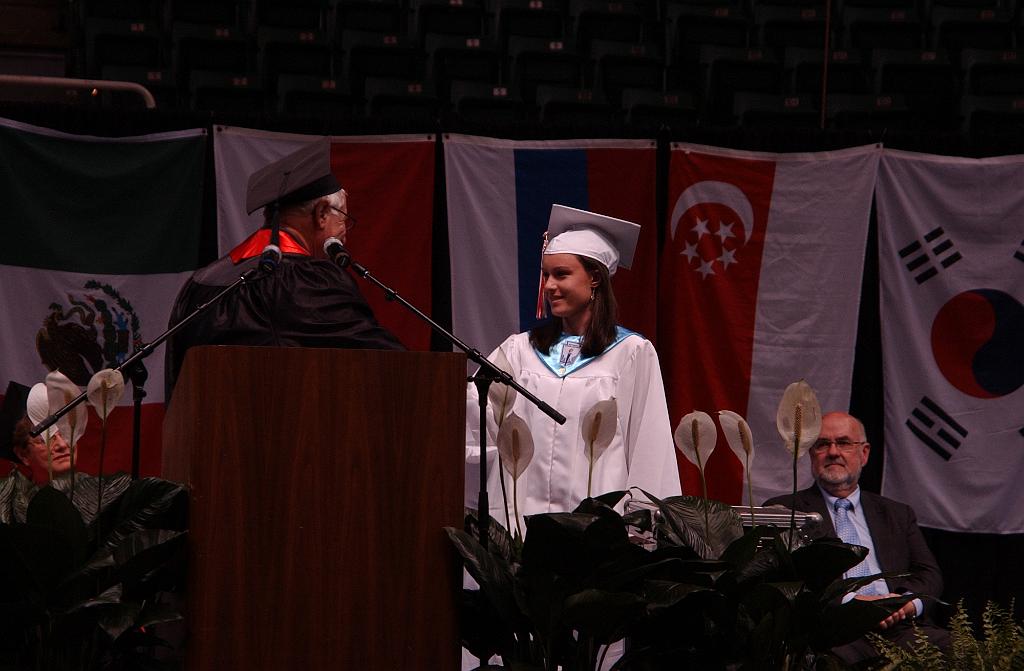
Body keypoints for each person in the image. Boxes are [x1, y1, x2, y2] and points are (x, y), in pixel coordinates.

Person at [466, 204, 681, 536]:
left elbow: (649, 447)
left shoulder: (631, 353)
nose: (549, 285)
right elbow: (474, 418)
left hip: (596, 535)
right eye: (546, 274)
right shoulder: (519, 351)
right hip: (522, 531)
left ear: (594, 278)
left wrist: (642, 530)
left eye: (561, 274)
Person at [164, 141, 403, 399]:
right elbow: (382, 360)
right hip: (272, 424)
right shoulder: (305, 282)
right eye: (344, 219)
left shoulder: (202, 280)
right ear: (322, 214)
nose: (345, 234)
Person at [764, 410, 949, 665]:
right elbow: (787, 582)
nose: (833, 452)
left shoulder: (897, 513)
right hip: (834, 633)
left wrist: (905, 603)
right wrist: (855, 604)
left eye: (843, 443)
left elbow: (928, 573)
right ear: (811, 454)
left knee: (965, 650)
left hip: (901, 628)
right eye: (822, 444)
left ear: (864, 453)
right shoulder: (786, 511)